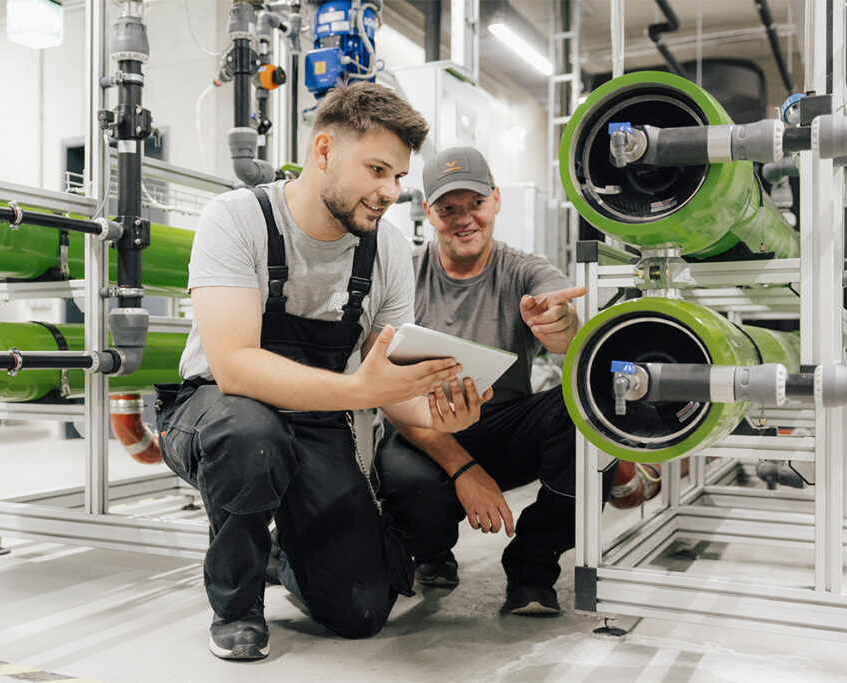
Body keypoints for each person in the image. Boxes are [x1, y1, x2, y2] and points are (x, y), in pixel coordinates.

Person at [155, 84, 491, 661]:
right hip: (216, 411)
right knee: (251, 439)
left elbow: (390, 386)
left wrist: (441, 410)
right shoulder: (238, 219)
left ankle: (290, 550)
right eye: (377, 169)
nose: (390, 191)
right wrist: (359, 389)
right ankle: (237, 607)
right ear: (325, 151)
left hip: (317, 420)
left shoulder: (385, 250)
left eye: (398, 177)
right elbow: (234, 366)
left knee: (360, 613)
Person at [374, 146, 617, 616]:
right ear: (429, 213)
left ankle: (532, 566)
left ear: (497, 201)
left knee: (589, 406)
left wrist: (559, 323)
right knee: (413, 498)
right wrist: (465, 471)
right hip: (423, 428)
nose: (464, 219)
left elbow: (561, 317)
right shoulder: (403, 273)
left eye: (475, 205)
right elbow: (389, 397)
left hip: (502, 426)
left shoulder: (523, 269)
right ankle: (431, 548)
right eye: (448, 209)